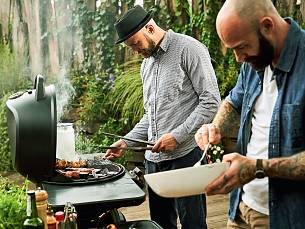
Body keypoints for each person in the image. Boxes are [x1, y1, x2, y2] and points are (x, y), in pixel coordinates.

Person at [103, 5, 221, 229]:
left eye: (136, 43)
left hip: (186, 158)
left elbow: (211, 101)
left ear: (149, 27)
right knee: (159, 225)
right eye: (131, 47)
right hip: (154, 163)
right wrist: (127, 140)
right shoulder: (146, 65)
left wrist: (176, 137)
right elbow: (151, 115)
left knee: (193, 224)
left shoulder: (189, 48)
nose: (135, 51)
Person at [195, 0, 305, 228]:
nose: (238, 58)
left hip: (286, 218)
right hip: (241, 206)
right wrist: (215, 127)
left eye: (241, 47)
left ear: (267, 26)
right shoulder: (256, 59)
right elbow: (234, 102)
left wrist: (257, 168)